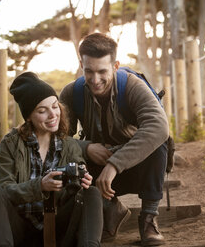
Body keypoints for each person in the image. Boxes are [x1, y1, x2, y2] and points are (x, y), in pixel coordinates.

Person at [60, 33, 169, 246]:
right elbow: (56, 140)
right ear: (81, 64)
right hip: (95, 170)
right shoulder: (72, 93)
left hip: (137, 167)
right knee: (67, 161)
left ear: (116, 65)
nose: (95, 79)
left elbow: (159, 127)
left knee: (159, 145)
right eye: (88, 71)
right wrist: (86, 147)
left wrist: (114, 164)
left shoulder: (133, 86)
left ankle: (148, 219)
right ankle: (108, 208)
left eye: (102, 71)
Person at [0, 72, 103, 247]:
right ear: (29, 116)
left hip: (59, 228)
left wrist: (81, 180)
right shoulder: (10, 144)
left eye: (55, 106)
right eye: (42, 111)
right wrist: (39, 186)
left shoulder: (69, 145)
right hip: (19, 229)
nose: (53, 115)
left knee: (91, 193)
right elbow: (3, 192)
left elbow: (76, 191)